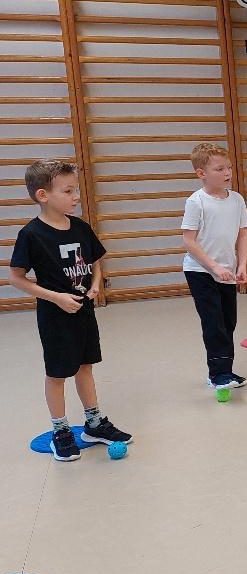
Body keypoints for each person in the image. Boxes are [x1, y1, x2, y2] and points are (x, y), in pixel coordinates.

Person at [9, 160, 132, 461]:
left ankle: (94, 423)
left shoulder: (80, 227)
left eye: (75, 189)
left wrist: (96, 284)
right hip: (55, 317)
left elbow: (96, 261)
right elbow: (16, 278)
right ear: (43, 195)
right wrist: (55, 297)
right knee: (58, 373)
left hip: (84, 312)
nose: (76, 196)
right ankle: (61, 431)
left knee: (85, 366)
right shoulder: (32, 234)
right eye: (68, 191)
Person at [182, 143, 247, 391]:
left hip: (227, 272)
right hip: (200, 271)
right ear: (201, 173)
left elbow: (243, 235)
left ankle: (226, 370)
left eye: (228, 167)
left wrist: (241, 264)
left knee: (228, 321)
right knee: (214, 323)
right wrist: (213, 266)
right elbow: (189, 241)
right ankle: (217, 374)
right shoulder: (196, 202)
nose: (227, 173)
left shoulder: (237, 200)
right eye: (220, 169)